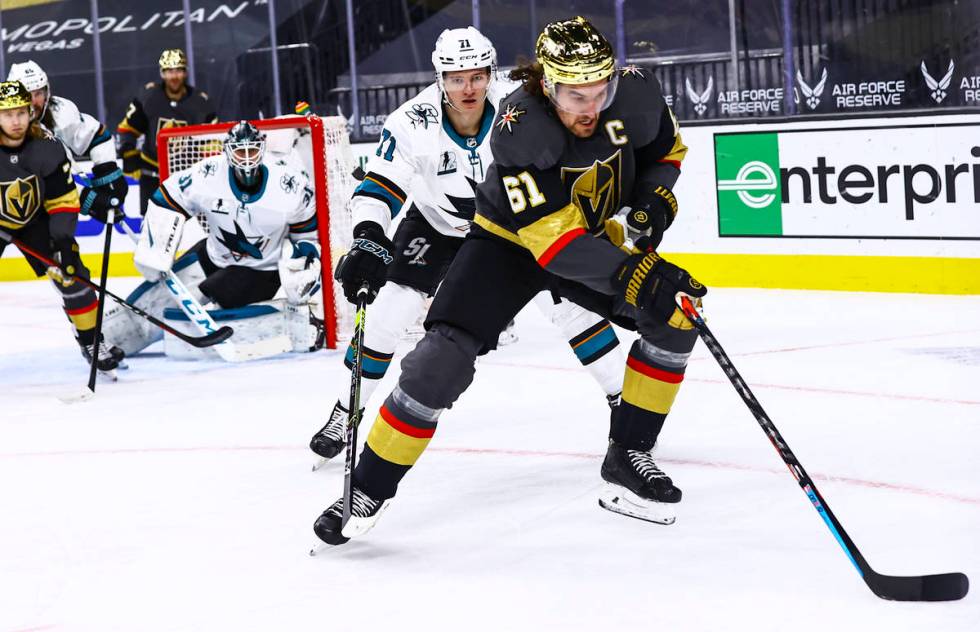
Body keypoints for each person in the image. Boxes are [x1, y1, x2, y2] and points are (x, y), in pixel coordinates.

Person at [313, 16, 705, 545]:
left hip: (584, 236)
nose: (590, 107)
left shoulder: (635, 93)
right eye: (574, 95)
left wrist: (656, 198)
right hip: (506, 245)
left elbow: (666, 152)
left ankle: (628, 452)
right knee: (437, 365)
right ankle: (368, 487)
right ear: (547, 84)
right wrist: (637, 275)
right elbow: (554, 247)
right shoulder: (520, 127)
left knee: (677, 317)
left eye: (599, 89)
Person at [308, 26, 626, 464]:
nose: (468, 87)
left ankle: (624, 403)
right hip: (439, 225)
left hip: (516, 230)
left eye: (477, 76)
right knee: (392, 308)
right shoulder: (409, 122)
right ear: (439, 77)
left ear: (491, 73)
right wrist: (367, 236)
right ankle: (348, 410)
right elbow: (379, 188)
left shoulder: (525, 103)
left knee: (570, 307)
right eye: (457, 78)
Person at [103, 121, 324, 355]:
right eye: (240, 151)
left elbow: (306, 235)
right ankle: (109, 342)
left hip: (260, 270)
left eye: (252, 150)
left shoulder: (290, 185)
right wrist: (157, 246)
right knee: (152, 300)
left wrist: (303, 266)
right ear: (228, 151)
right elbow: (168, 197)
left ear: (262, 149)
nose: (247, 158)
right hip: (212, 254)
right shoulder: (208, 173)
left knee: (203, 294)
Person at [0, 81, 123, 373]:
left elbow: (63, 201)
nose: (15, 121)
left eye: (20, 112)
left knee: (73, 275)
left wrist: (65, 241)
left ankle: (92, 342)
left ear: (30, 112)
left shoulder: (47, 146)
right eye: (7, 114)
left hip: (36, 219)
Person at [6, 60, 128, 219]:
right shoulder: (8, 130)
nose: (34, 102)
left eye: (38, 94)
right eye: (27, 95)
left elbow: (96, 136)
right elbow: (40, 183)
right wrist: (88, 200)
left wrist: (108, 173)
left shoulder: (59, 112)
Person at [116, 48, 216, 215]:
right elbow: (128, 128)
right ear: (162, 73)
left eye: (178, 70)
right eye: (169, 71)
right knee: (152, 226)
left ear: (185, 72)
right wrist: (128, 152)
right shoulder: (149, 97)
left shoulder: (201, 103)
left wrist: (205, 168)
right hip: (152, 174)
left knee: (192, 227)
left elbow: (212, 142)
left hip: (187, 178)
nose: (174, 76)